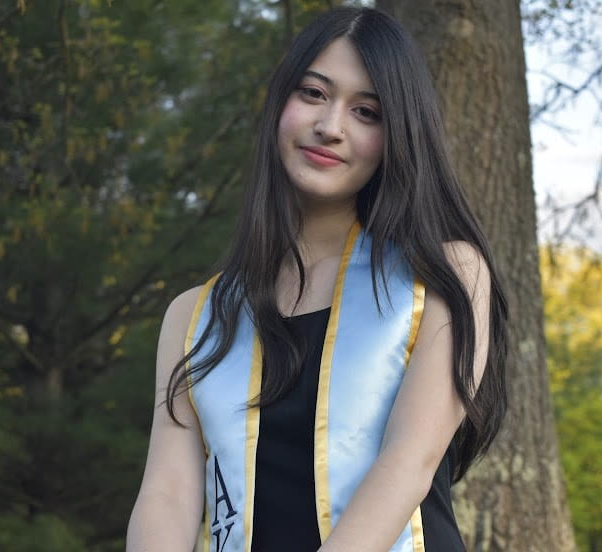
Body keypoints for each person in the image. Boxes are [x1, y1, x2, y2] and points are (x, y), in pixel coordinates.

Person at [127, 6, 508, 552]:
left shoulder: (444, 276)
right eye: (313, 93)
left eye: (367, 112)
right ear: (280, 102)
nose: (331, 127)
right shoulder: (195, 316)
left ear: (398, 133)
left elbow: (410, 460)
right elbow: (167, 493)